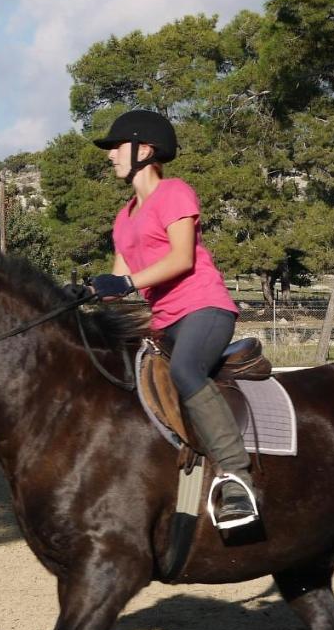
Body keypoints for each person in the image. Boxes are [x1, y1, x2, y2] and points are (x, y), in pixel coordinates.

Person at [89, 109, 258, 529]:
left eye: (115, 148)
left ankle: (236, 475)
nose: (110, 156)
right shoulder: (124, 216)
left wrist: (124, 283)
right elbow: (118, 279)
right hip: (162, 321)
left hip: (204, 308)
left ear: (143, 150)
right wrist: (87, 295)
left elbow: (181, 259)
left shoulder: (174, 192)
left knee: (185, 370)